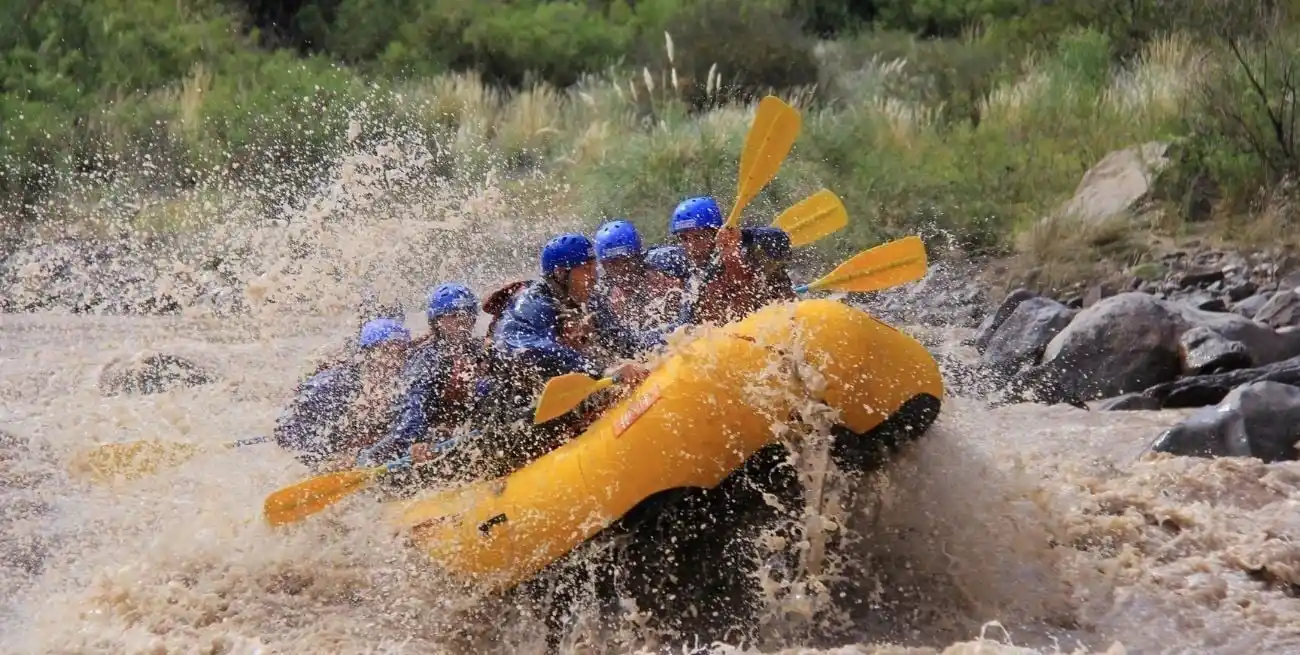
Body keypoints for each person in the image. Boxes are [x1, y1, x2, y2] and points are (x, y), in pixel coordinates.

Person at [487, 233, 647, 472]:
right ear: (561, 274)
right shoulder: (534, 303)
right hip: (518, 410)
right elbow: (519, 345)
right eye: (586, 270)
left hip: (568, 396)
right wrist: (598, 370)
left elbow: (625, 342)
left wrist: (678, 336)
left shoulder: (590, 301)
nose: (594, 277)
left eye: (594, 268)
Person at [356, 283, 493, 472]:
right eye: (453, 316)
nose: (462, 321)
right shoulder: (429, 360)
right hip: (423, 431)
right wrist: (417, 439)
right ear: (438, 322)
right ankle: (364, 462)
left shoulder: (480, 347)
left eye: (467, 314)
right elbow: (415, 403)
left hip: (466, 425)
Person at [272, 317, 413, 472]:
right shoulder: (333, 386)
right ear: (368, 354)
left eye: (400, 353)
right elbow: (287, 432)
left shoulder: (404, 383)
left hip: (358, 449)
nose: (393, 361)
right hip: (322, 449)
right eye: (386, 351)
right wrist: (328, 460)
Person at [669, 195, 796, 326]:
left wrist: (742, 235)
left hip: (780, 326)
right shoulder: (696, 281)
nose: (692, 246)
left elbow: (781, 241)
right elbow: (682, 327)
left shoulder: (750, 251)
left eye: (698, 237)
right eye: (684, 239)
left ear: (716, 234)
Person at [588, 219, 676, 357]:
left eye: (626, 261)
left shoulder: (664, 284)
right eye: (612, 265)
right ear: (604, 267)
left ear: (639, 258)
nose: (622, 270)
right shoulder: (607, 299)